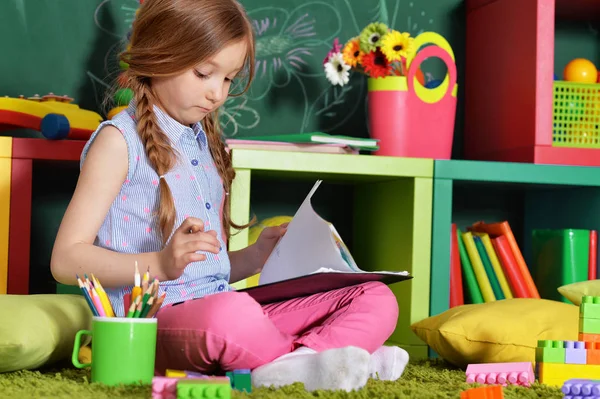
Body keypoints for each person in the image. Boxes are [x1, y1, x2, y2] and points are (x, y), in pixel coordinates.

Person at [50, 0, 409, 392]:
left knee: (374, 296)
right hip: (155, 323)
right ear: (158, 56)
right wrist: (160, 263)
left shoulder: (203, 141)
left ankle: (298, 364)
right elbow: (66, 260)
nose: (216, 93)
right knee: (231, 314)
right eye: (204, 73)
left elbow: (209, 273)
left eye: (228, 80)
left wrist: (254, 257)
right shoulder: (118, 142)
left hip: (224, 313)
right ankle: (324, 358)